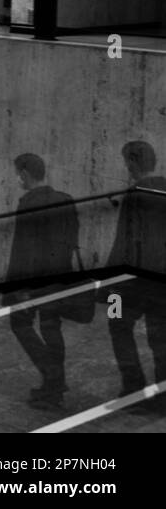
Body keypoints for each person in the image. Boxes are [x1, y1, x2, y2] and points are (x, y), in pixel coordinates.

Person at [3, 153, 81, 409]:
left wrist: (16, 288)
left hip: (34, 279)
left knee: (20, 323)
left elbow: (22, 248)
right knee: (51, 327)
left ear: (25, 174)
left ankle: (54, 379)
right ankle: (53, 387)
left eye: (17, 174)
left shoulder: (28, 202)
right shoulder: (65, 199)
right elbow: (73, 239)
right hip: (59, 275)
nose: (17, 179)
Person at [107, 140, 166, 397]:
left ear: (132, 162)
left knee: (118, 325)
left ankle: (134, 386)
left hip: (138, 279)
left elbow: (125, 241)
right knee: (160, 336)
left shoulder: (134, 194)